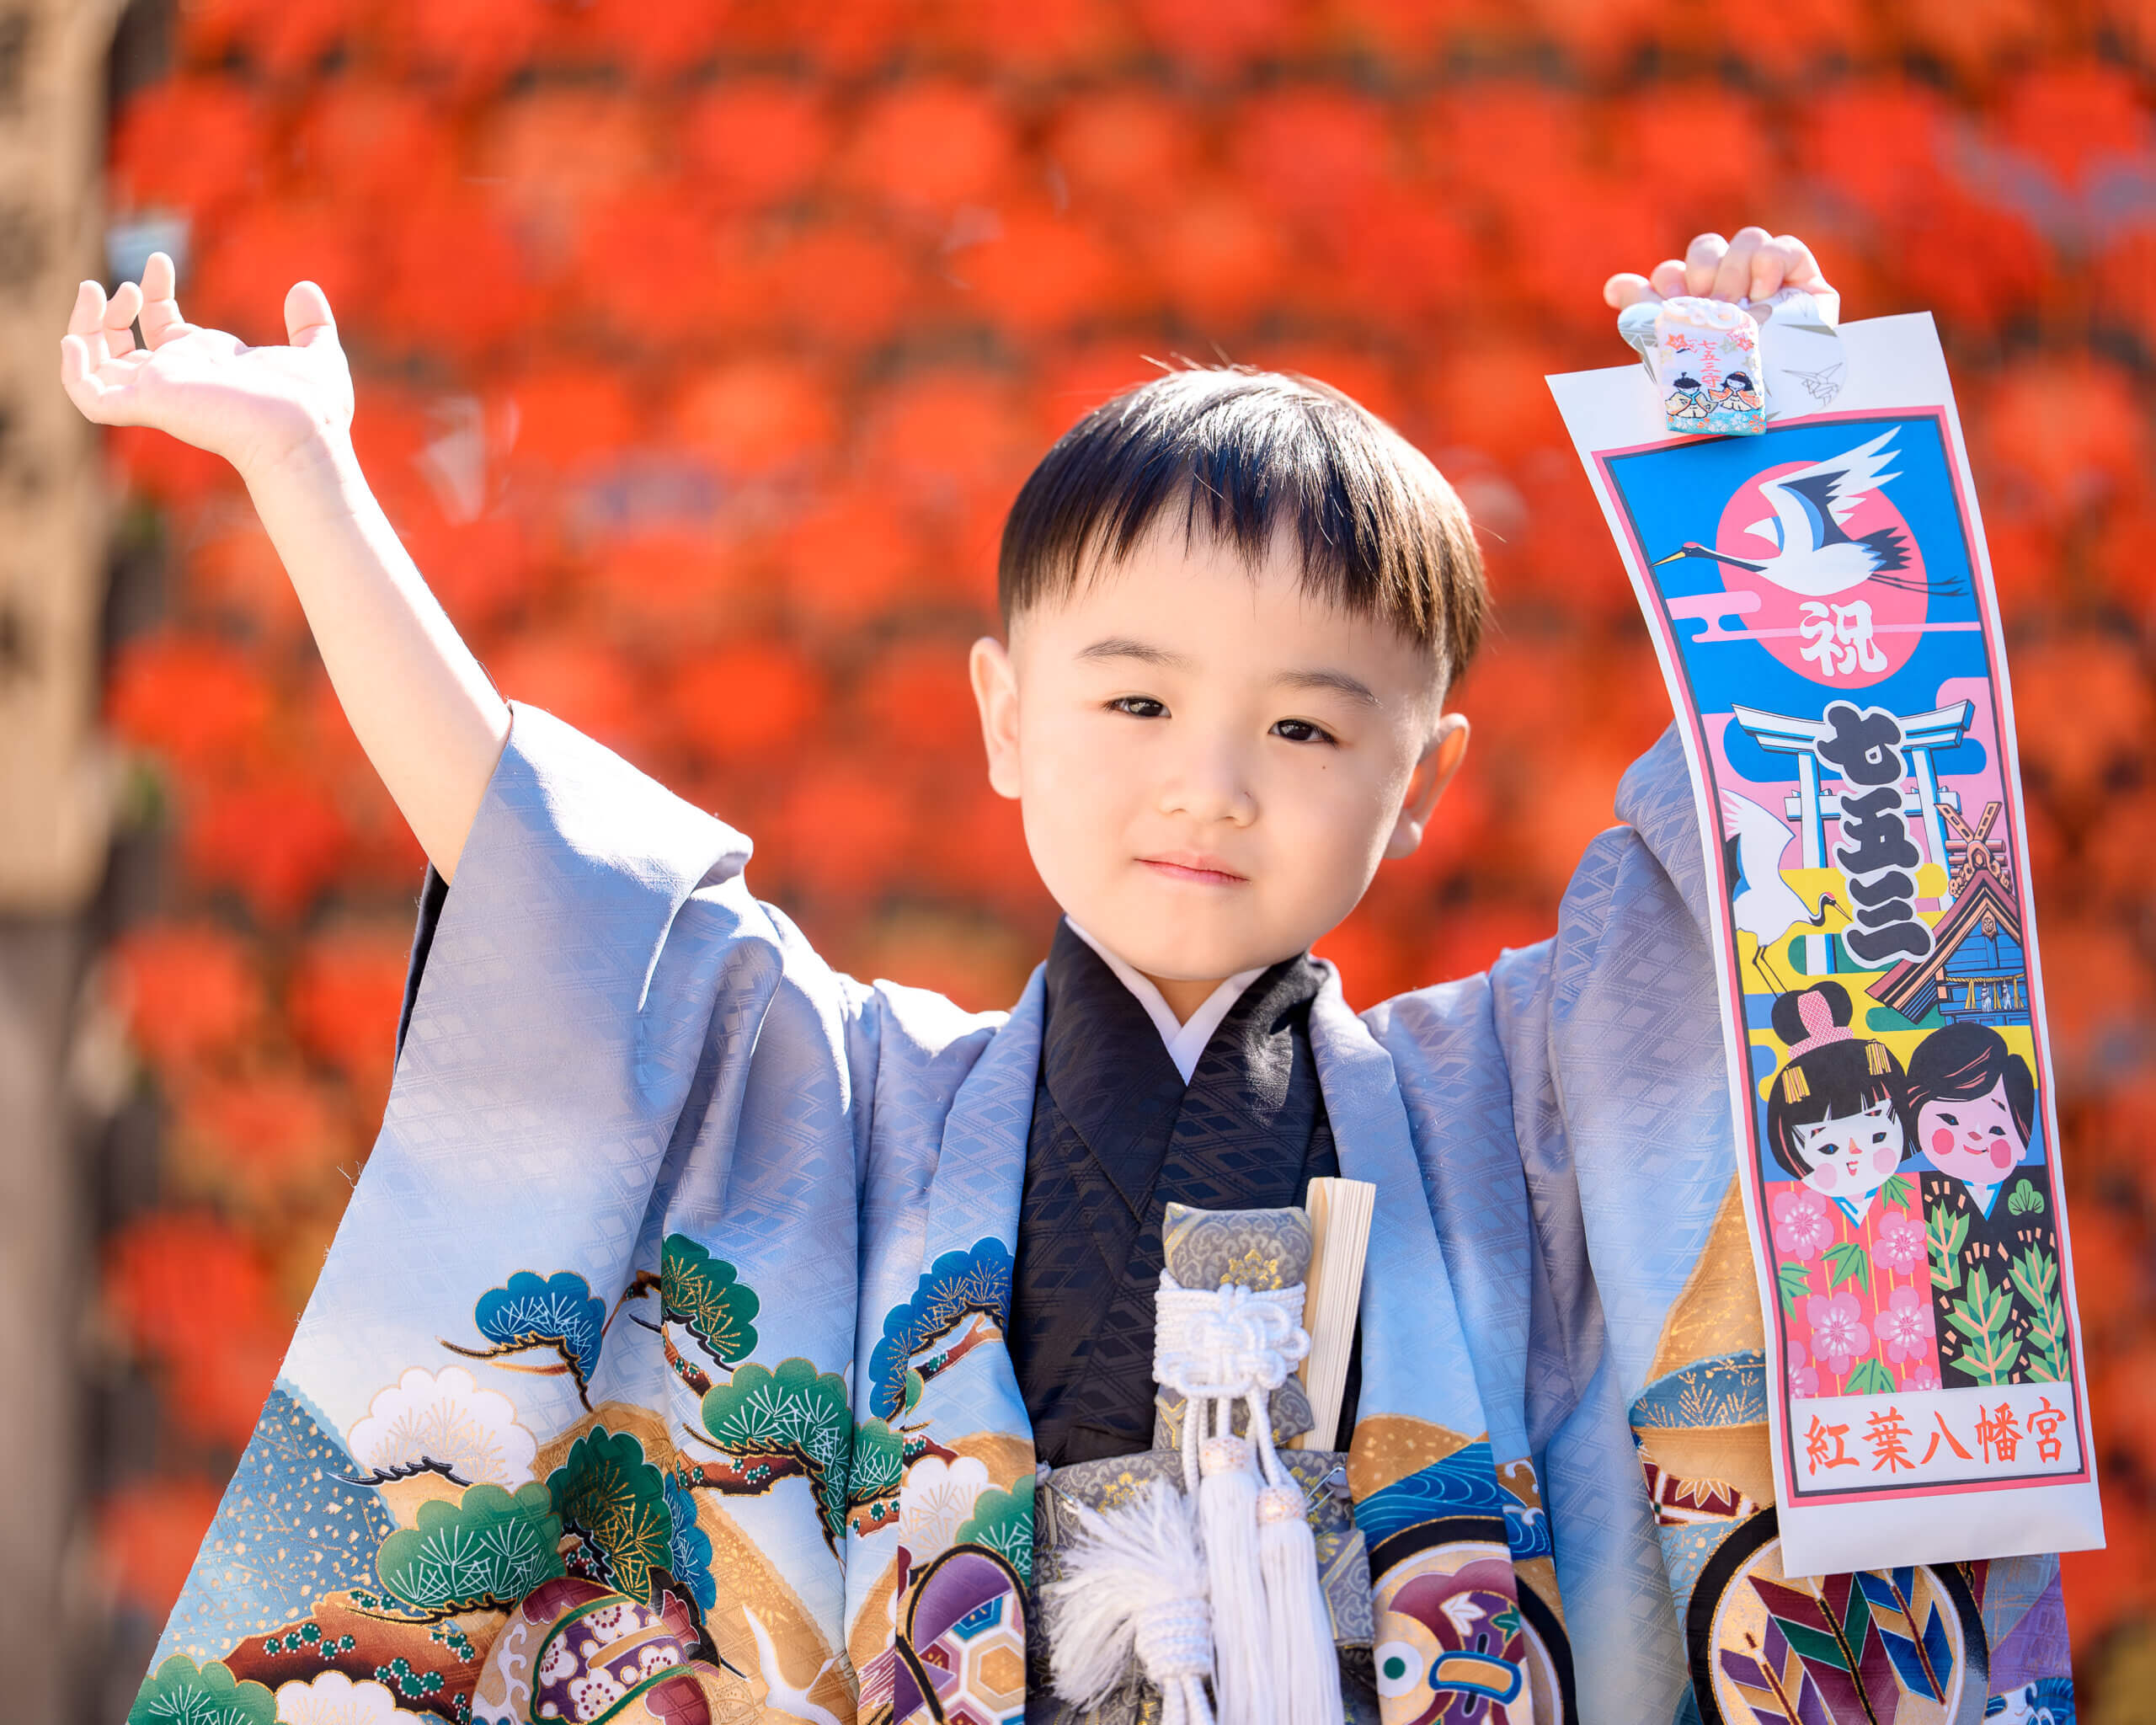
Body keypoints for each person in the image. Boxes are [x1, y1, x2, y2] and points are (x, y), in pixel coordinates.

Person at [64, 229, 2071, 1725]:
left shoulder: (1510, 1093)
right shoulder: (849, 1095)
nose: (1206, 783)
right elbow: (538, 865)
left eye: (1305, 727)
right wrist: (306, 471)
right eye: (1133, 697)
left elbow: (1806, 884)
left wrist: (1787, 453)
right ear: (1001, 713)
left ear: (1419, 781)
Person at [1759, 982, 1940, 1400]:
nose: (1855, 1156)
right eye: (1827, 1147)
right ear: (1790, 1146)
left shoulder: (1922, 1197)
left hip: (1927, 1375)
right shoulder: (1790, 1213)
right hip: (1828, 1386)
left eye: (1878, 1133)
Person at [1908, 1022, 2070, 1389]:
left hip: (2033, 1369)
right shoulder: (1917, 1195)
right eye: (1950, 1119)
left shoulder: (2033, 1195)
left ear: (2023, 1137)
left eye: (1997, 1130)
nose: (1975, 1138)